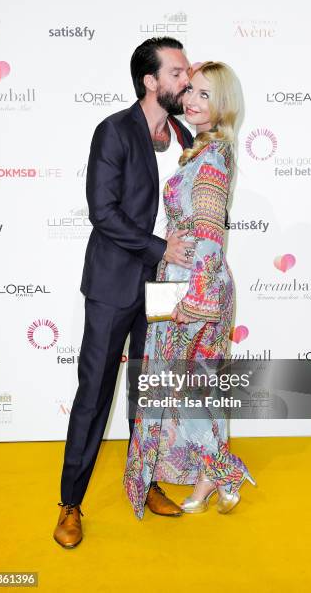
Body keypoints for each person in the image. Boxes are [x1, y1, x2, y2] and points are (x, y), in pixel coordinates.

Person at [54, 37, 197, 549]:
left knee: (149, 390)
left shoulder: (185, 136)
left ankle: (145, 480)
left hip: (163, 288)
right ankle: (71, 502)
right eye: (178, 71)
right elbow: (103, 212)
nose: (188, 78)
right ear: (151, 81)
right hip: (116, 283)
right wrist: (163, 248)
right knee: (94, 394)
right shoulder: (113, 131)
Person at [124, 61, 257, 520]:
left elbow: (209, 236)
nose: (194, 101)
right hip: (182, 283)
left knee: (182, 387)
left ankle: (223, 469)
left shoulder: (215, 156)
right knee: (195, 387)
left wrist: (195, 301)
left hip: (196, 287)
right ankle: (213, 476)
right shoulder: (200, 150)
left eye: (205, 94)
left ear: (222, 105)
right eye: (192, 92)